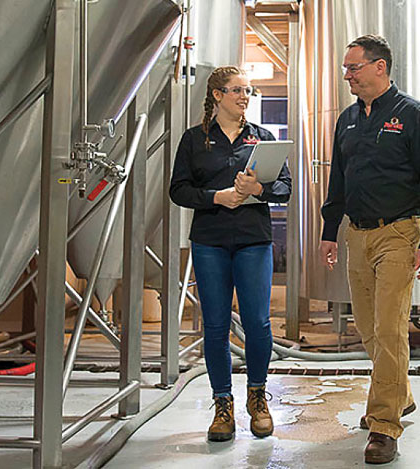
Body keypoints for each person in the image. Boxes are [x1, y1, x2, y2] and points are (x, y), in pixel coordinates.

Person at [318, 35, 420, 464]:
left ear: (380, 67)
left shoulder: (412, 116)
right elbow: (340, 178)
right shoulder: (348, 119)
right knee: (371, 330)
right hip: (357, 233)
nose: (347, 75)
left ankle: (384, 426)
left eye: (353, 67)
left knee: (391, 329)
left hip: (399, 232)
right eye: (345, 68)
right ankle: (401, 394)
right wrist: (329, 230)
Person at [170, 66, 291, 442]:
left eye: (248, 91)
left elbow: (284, 188)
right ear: (217, 95)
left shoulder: (262, 139)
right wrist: (215, 197)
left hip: (253, 240)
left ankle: (257, 397)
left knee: (258, 322)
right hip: (210, 241)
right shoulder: (194, 140)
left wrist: (258, 189)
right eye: (238, 90)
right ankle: (223, 404)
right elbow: (179, 190)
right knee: (217, 326)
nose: (245, 97)